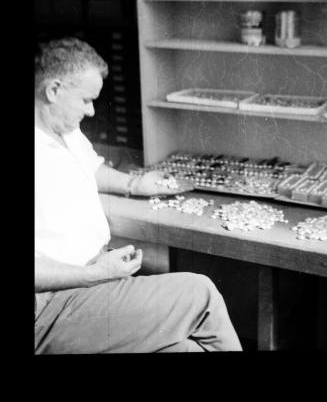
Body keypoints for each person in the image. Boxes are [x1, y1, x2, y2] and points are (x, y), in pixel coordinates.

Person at [35, 37, 242, 353]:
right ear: (54, 90)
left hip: (88, 280)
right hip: (51, 306)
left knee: (186, 350)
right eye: (86, 100)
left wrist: (136, 185)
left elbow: (90, 168)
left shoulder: (64, 130)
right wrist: (94, 273)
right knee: (200, 293)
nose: (91, 111)